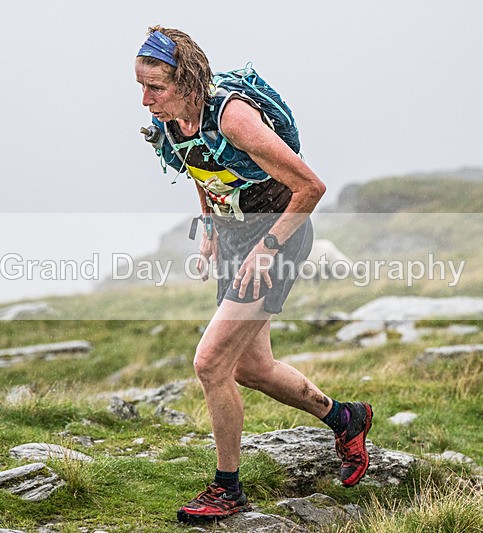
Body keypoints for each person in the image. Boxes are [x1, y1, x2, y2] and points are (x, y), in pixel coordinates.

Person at [135, 26, 373, 524]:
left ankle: (228, 490)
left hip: (279, 234)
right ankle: (344, 417)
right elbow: (200, 168)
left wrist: (267, 248)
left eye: (154, 87)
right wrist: (209, 227)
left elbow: (311, 187)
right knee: (251, 368)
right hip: (237, 238)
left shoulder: (234, 118)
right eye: (140, 86)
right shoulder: (173, 122)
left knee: (211, 364)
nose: (144, 100)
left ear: (186, 80)